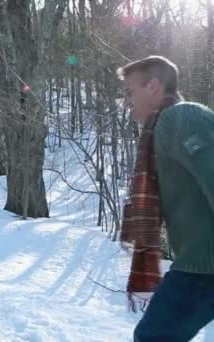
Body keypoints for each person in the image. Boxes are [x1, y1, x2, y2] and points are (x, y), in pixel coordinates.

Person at [118, 55, 214, 341]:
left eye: (130, 90)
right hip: (199, 264)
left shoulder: (180, 118)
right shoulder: (164, 125)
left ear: (154, 87)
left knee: (153, 336)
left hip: (204, 268)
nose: (127, 99)